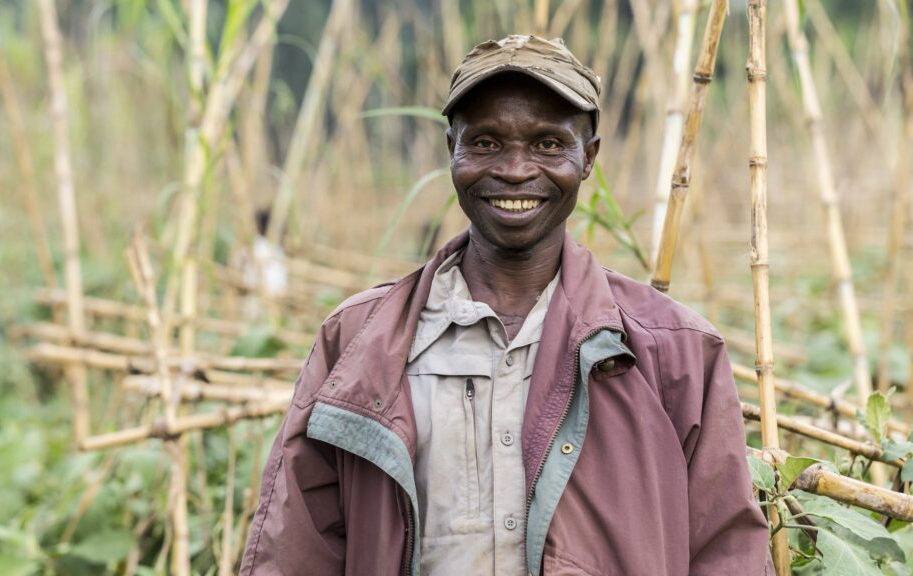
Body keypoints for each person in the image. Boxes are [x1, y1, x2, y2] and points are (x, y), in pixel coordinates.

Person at [240, 35, 771, 576]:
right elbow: (292, 553)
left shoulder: (677, 354)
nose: (515, 170)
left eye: (548, 144)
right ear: (452, 148)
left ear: (588, 158)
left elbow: (728, 555)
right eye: (487, 143)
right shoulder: (359, 342)